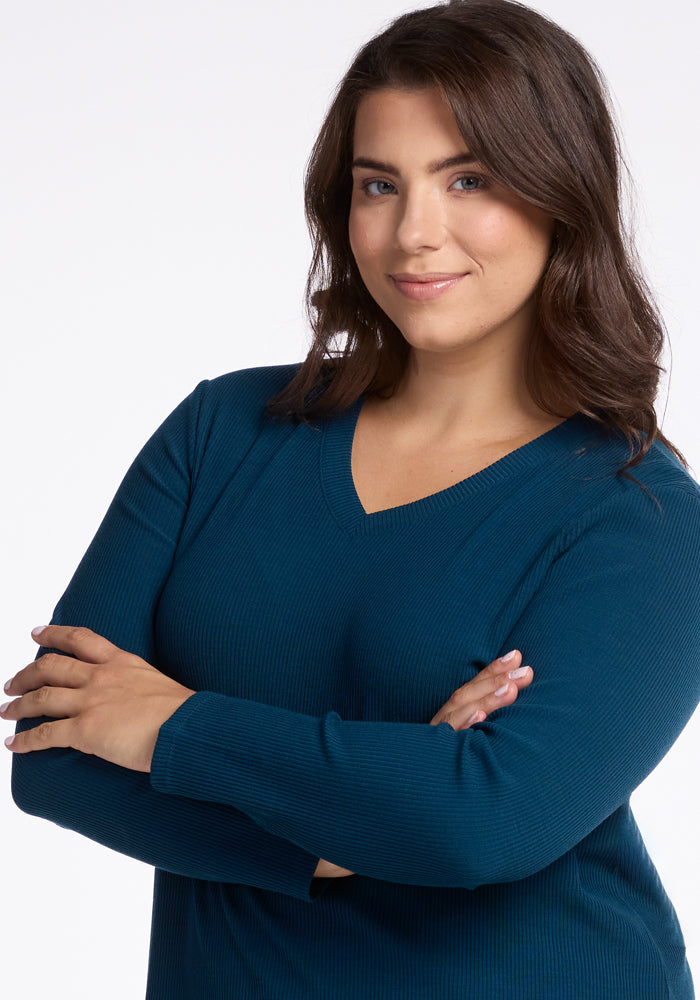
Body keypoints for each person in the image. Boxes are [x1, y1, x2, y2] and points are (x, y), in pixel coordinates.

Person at [3, 0, 699, 996]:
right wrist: (347, 832)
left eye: (470, 179)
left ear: (561, 195)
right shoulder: (222, 432)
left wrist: (169, 725)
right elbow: (55, 753)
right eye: (379, 185)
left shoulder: (638, 515)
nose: (414, 233)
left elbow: (478, 824)